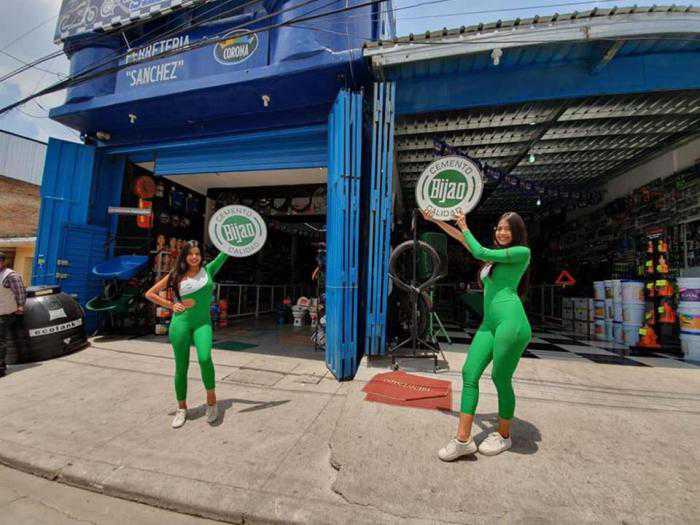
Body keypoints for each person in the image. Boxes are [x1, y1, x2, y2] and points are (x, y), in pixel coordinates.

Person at [422, 210, 531, 460]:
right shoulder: (495, 257)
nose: (501, 232)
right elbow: (464, 240)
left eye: (507, 229)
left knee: (500, 378)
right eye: (499, 228)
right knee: (469, 373)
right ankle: (463, 440)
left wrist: (466, 225)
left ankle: (504, 436)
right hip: (490, 324)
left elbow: (479, 250)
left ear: (517, 233)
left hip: (511, 324)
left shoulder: (521, 252)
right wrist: (437, 221)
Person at [145, 241, 229, 428]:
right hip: (180, 323)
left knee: (205, 358)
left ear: (201, 256)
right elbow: (150, 293)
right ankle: (182, 408)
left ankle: (212, 401)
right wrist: (171, 305)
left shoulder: (209, 270)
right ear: (184, 256)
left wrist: (237, 237)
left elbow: (226, 253)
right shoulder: (175, 275)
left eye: (197, 253)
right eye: (190, 254)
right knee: (181, 367)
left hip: (202, 323)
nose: (194, 257)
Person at [0, 251, 27, 377]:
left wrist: (20, 307)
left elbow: (20, 293)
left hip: (5, 313)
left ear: (3, 262)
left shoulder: (11, 276)